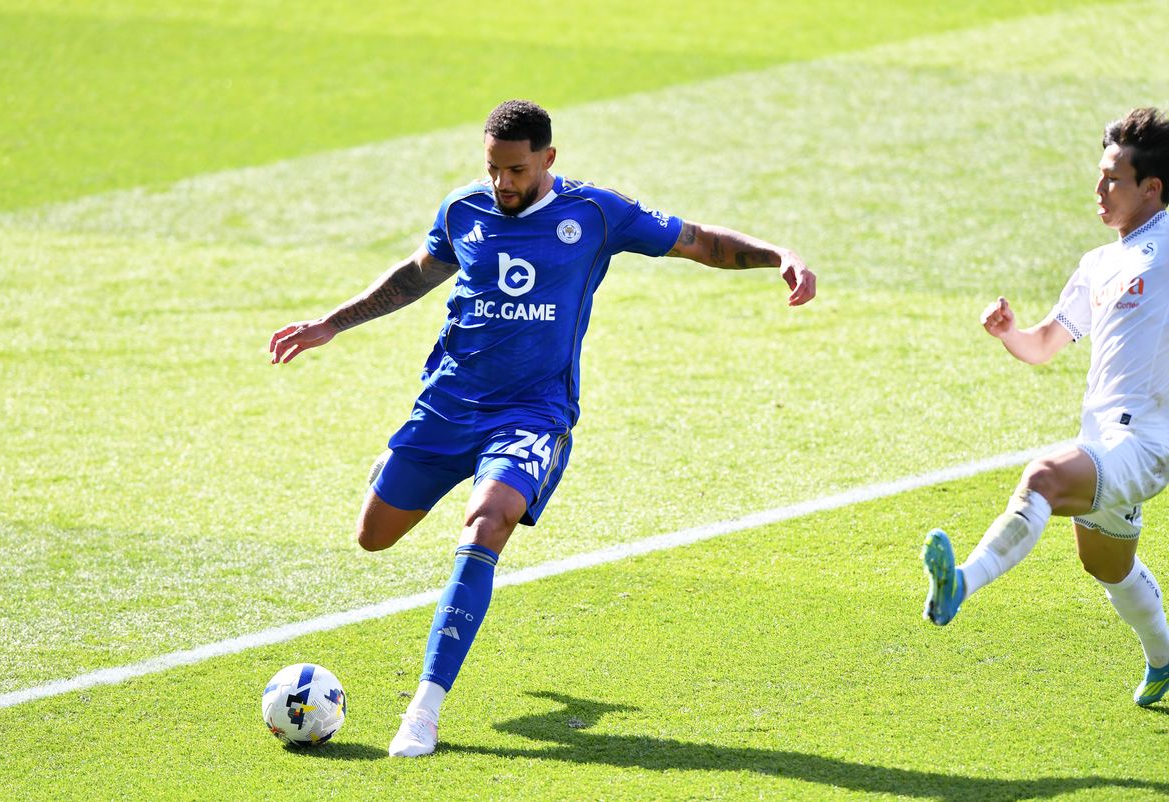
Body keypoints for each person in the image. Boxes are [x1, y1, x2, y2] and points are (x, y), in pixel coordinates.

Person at [269, 99, 817, 756]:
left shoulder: (594, 214)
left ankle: (425, 708)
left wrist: (777, 255)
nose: (503, 183)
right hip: (449, 405)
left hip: (532, 413)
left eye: (518, 170)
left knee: (489, 518)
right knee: (373, 536)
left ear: (548, 160)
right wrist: (333, 322)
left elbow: (699, 241)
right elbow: (416, 275)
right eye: (494, 168)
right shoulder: (462, 210)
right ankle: (402, 470)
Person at [922, 107, 1169, 707]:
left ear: (1152, 188)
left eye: (1114, 178)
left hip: (1147, 442)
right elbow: (1042, 347)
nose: (1100, 189)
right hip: (1104, 436)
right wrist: (1009, 332)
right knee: (1107, 565)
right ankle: (1165, 657)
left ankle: (960, 584)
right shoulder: (1098, 264)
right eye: (1100, 175)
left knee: (1044, 478)